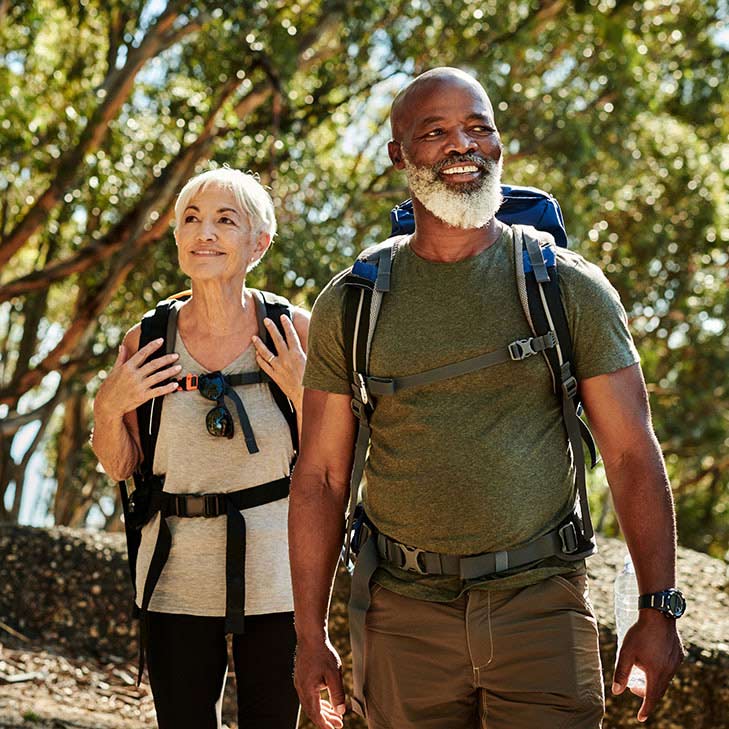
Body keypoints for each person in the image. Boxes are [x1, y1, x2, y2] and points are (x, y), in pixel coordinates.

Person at [289, 67, 685, 729]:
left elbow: (630, 455)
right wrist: (309, 636)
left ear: (499, 144)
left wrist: (657, 608)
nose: (462, 144)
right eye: (436, 131)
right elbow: (322, 476)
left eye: (478, 127)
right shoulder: (352, 303)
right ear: (398, 154)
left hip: (541, 607)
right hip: (401, 618)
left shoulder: (567, 287)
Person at [92, 167, 308, 729]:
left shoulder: (294, 332)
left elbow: (337, 461)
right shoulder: (148, 339)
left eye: (224, 220)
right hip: (174, 576)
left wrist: (302, 392)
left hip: (279, 576)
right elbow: (121, 464)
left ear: (258, 242)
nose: (204, 233)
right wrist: (106, 406)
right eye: (191, 219)